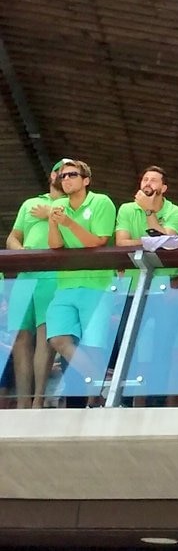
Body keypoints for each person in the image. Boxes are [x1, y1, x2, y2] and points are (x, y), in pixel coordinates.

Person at [114, 165, 178, 405]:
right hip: (133, 287)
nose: (148, 183)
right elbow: (122, 243)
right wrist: (152, 241)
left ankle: (156, 400)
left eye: (154, 180)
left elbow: (168, 244)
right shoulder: (127, 208)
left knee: (163, 345)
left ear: (164, 188)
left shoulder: (177, 211)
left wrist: (149, 213)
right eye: (145, 179)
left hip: (166, 289)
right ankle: (124, 398)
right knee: (127, 341)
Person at [45, 160, 118, 402]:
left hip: (96, 283)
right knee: (58, 339)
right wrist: (55, 223)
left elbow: (97, 241)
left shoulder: (101, 202)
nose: (66, 179)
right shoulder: (58, 204)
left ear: (86, 180)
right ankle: (102, 386)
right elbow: (55, 244)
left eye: (72, 175)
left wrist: (68, 223)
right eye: (63, 176)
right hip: (65, 283)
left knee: (94, 345)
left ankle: (94, 400)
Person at [5, 159, 65, 408]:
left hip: (53, 275)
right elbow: (12, 237)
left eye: (70, 173)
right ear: (51, 175)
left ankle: (38, 400)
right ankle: (22, 401)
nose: (63, 176)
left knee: (45, 336)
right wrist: (22, 254)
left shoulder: (71, 205)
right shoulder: (30, 203)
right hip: (25, 276)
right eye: (59, 171)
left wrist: (50, 213)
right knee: (20, 336)